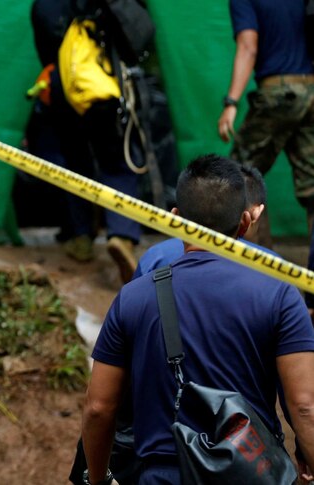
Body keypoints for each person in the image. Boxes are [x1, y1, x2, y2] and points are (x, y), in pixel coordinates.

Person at [81, 154, 314, 484]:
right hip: (251, 471)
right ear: (245, 222)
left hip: (163, 473)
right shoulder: (280, 293)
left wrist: (97, 478)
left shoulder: (134, 297)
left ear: (175, 219)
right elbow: (304, 405)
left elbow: (98, 407)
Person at [27, 0, 145, 283]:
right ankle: (122, 234)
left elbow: (45, 48)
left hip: (63, 84)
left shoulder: (45, 5)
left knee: (73, 160)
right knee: (118, 161)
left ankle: (80, 236)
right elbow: (135, 32)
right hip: (104, 83)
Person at [217, 0, 314, 247]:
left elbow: (248, 46)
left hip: (278, 92)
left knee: (240, 178)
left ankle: (261, 271)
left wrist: (231, 102)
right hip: (310, 90)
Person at [131, 164, 275, 280]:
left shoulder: (155, 257)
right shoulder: (275, 268)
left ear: (175, 218)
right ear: (248, 218)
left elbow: (129, 309)